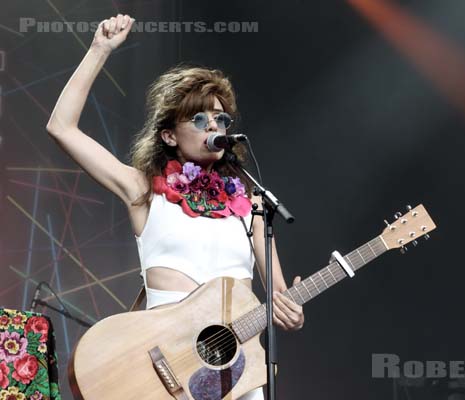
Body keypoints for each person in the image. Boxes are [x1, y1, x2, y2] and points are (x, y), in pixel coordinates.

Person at [45, 14, 304, 400]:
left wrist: (293, 312)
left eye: (220, 118)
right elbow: (62, 128)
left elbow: (280, 297)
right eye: (199, 118)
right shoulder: (145, 191)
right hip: (161, 372)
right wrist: (99, 50)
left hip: (235, 374)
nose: (213, 126)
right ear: (169, 134)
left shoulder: (250, 206)